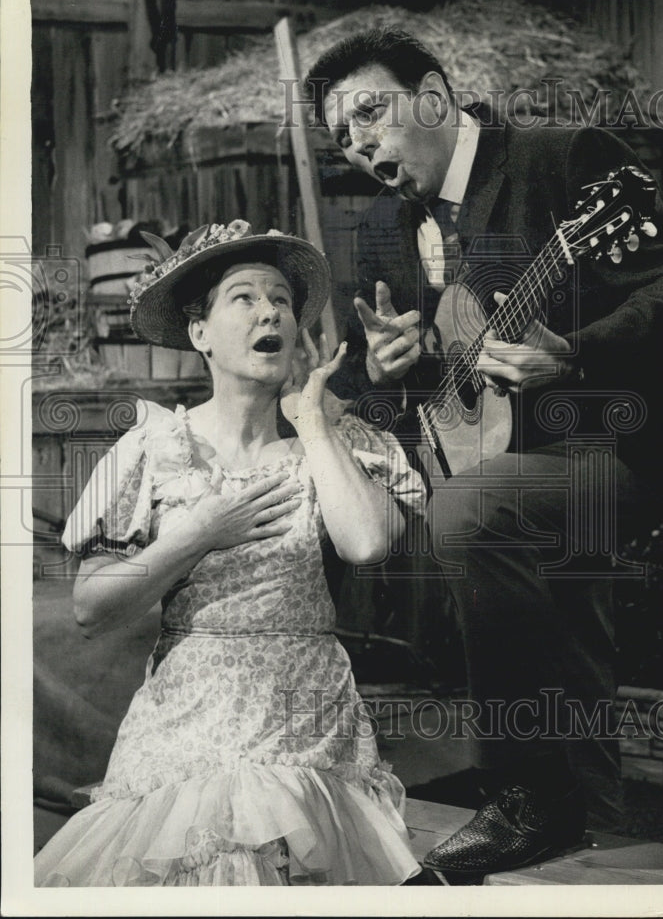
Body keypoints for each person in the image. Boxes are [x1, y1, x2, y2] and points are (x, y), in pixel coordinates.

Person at [306, 28, 663, 876]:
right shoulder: (392, 228)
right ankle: (588, 834)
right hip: (507, 460)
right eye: (342, 136)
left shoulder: (561, 158)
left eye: (370, 112)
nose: (358, 143)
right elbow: (404, 381)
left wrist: (578, 351)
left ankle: (527, 794)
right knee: (519, 577)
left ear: (433, 97)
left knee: (469, 511)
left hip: (626, 443)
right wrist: (390, 367)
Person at [34, 220, 425, 886]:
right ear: (200, 334)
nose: (269, 310)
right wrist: (197, 533)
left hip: (306, 717)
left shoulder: (334, 440)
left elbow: (366, 543)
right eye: (243, 298)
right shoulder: (154, 448)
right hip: (186, 719)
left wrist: (312, 421)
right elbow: (91, 606)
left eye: (280, 299)